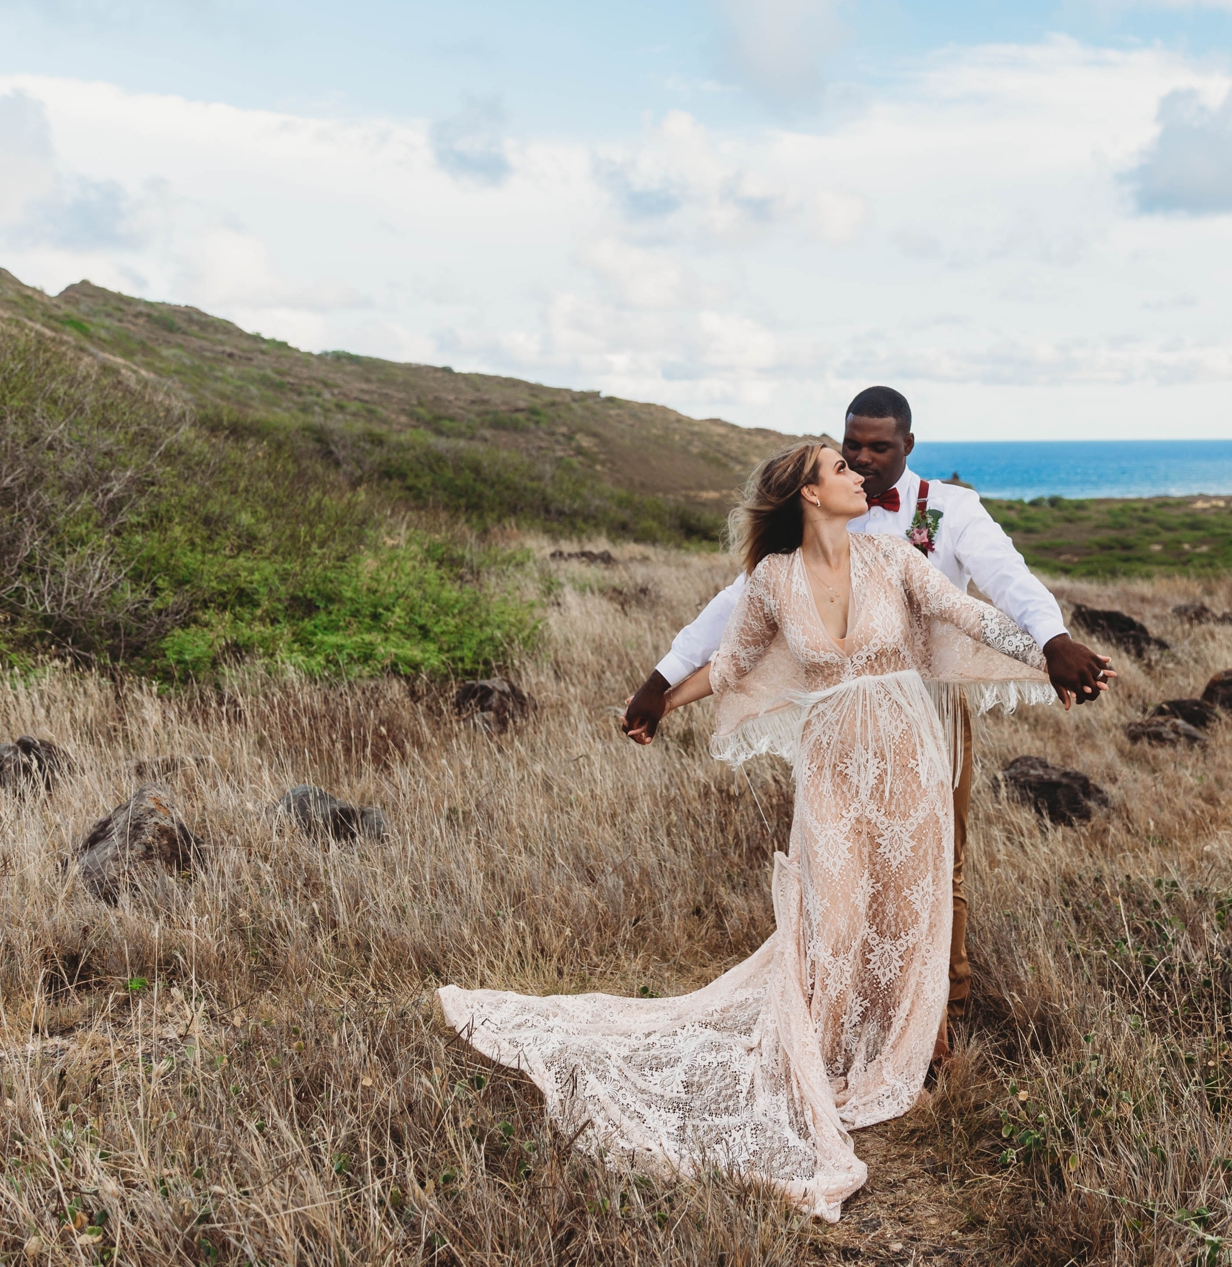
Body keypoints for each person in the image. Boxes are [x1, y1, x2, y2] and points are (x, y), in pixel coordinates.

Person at [438, 442, 1105, 1220]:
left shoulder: (892, 557)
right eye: (842, 468)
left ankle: (905, 1054)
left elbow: (968, 613)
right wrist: (659, 700)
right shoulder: (771, 581)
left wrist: (1052, 650)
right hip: (829, 767)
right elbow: (732, 664)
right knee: (835, 911)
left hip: (907, 761)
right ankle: (813, 1058)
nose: (860, 474)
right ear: (810, 496)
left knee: (908, 909)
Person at [624, 386, 1112, 1023]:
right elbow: (732, 617)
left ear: (908, 444)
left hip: (925, 708)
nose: (862, 460)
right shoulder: (792, 554)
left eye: (878, 447)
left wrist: (1053, 643)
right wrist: (663, 681)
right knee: (841, 871)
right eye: (850, 447)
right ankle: (848, 1014)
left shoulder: (947, 511)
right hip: (836, 721)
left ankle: (940, 1012)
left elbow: (1003, 586)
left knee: (935, 863)